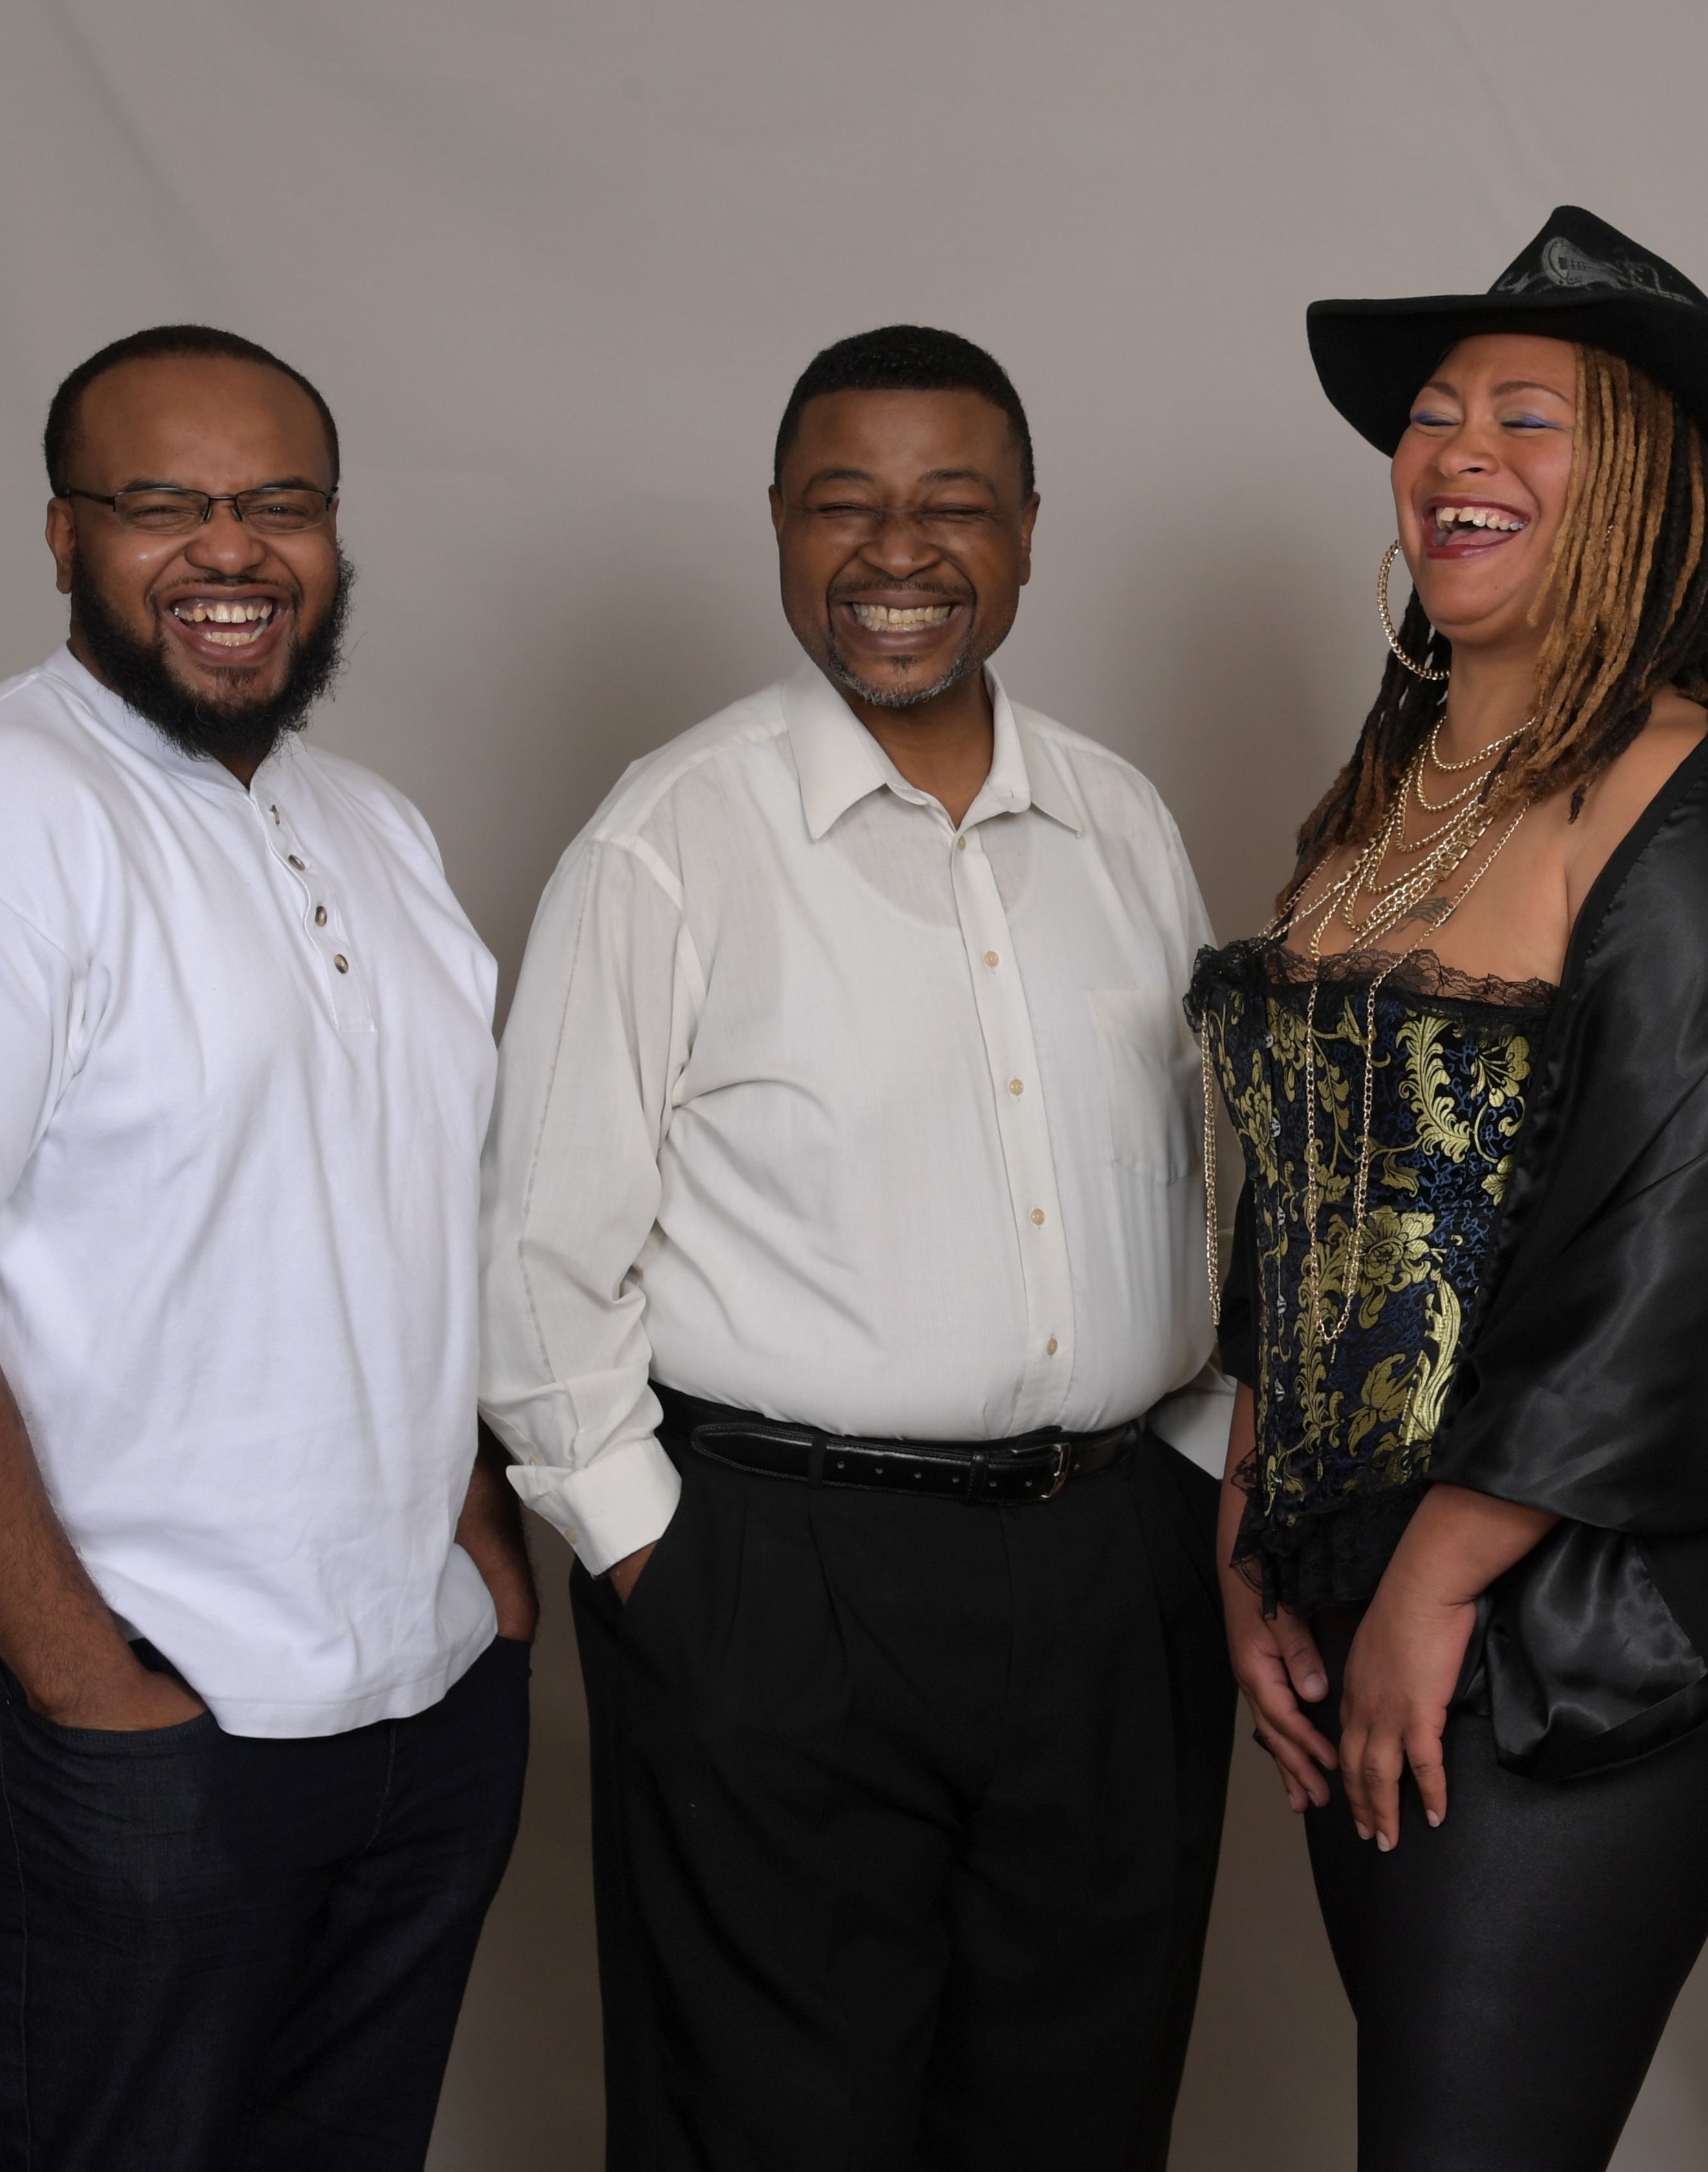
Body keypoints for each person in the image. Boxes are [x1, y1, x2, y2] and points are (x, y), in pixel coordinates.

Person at [479, 324, 1235, 2171]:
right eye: (845, 505)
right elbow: (539, 1260)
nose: (899, 551)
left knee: (1079, 2119)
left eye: (953, 504)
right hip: (779, 1577)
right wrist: (664, 1571)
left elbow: (1212, 1188)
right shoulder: (670, 838)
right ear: (777, 525)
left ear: (1031, 530)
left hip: (1113, 1572)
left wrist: (1196, 1477)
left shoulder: (1125, 822)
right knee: (773, 2129)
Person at [1191, 207, 1708, 2171]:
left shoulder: (1688, 803)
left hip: (1585, 1619)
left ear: (1637, 486)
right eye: (1438, 413)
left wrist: (1435, 1578)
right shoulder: (1386, 801)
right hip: (1350, 1574)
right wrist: (1247, 1523)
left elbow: (1681, 1262)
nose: (1458, 448)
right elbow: (1303, 1198)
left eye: (1529, 416)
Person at [0, 325, 533, 2171]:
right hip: (115, 1732)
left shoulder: (377, 829)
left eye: (280, 503)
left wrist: (482, 1574)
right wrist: (93, 1693)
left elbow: (412, 1232)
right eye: (162, 504)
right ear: (62, 534)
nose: (230, 549)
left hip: (412, 1708)